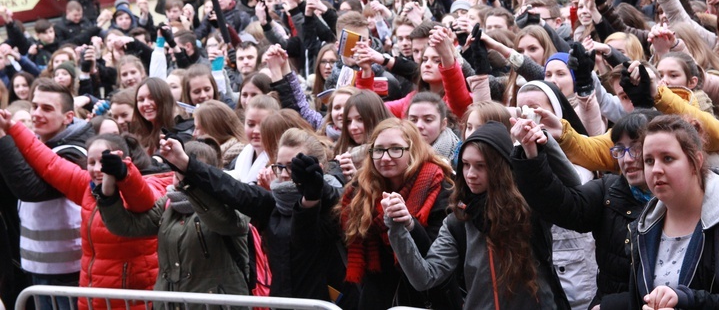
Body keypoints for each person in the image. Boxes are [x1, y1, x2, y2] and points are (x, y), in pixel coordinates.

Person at [383, 120, 569, 309]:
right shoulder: (458, 221)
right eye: (465, 164)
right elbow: (425, 277)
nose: (470, 174)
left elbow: (573, 185)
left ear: (500, 168)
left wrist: (543, 141)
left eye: (481, 166)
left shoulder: (529, 207)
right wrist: (396, 226)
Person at [158, 128, 348, 303]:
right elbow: (230, 187)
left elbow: (304, 237)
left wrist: (314, 193)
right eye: (279, 166)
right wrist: (184, 163)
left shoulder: (333, 205)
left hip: (326, 303)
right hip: (282, 303)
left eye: (293, 167)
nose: (284, 174)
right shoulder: (272, 205)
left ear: (319, 168)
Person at [0, 119, 170, 309]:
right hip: (93, 297)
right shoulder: (86, 187)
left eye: (103, 161)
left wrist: (124, 174)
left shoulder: (141, 186)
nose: (97, 169)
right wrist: (12, 127)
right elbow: (49, 162)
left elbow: (144, 199)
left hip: (132, 300)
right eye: (91, 162)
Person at [514, 111, 659, 309]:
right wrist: (531, 154)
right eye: (619, 149)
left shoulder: (681, 201)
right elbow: (561, 206)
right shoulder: (609, 190)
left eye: (635, 148)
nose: (627, 159)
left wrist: (611, 306)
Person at [98, 139, 249, 307]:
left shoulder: (232, 199)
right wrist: (109, 184)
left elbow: (222, 222)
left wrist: (191, 185)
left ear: (210, 174)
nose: (178, 182)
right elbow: (126, 226)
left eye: (185, 174)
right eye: (175, 174)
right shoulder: (169, 204)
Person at [629, 115, 719, 309]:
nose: (656, 169)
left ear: (696, 162)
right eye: (649, 161)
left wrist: (687, 300)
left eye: (668, 158)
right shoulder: (644, 224)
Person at [340, 118, 457, 310]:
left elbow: (437, 255)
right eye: (379, 150)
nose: (385, 157)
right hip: (377, 297)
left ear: (413, 151)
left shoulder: (438, 186)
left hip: (425, 299)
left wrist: (409, 223)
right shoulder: (360, 189)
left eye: (396, 149)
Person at [0, 79, 94, 310]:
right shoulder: (39, 144)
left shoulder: (75, 152)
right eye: (34, 106)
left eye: (47, 108)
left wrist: (3, 139)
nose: (37, 114)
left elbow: (30, 189)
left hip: (67, 272)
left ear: (68, 117)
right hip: (38, 267)